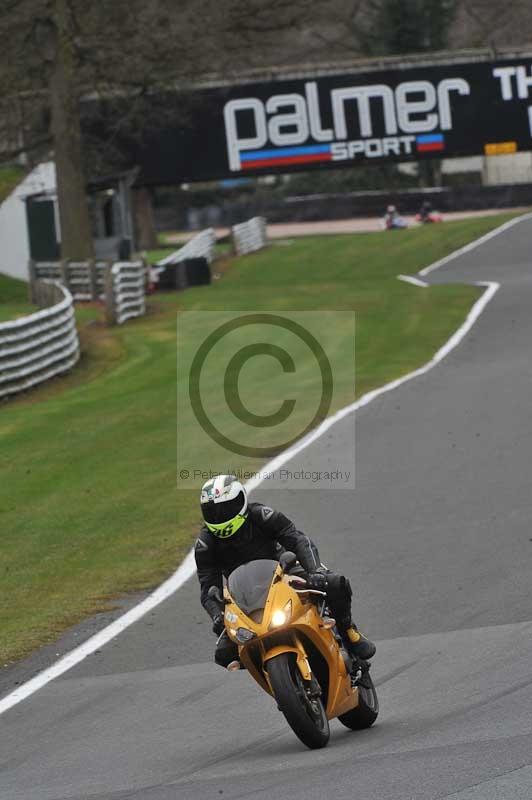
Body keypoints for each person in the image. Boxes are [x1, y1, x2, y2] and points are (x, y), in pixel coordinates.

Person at [195, 474, 376, 669]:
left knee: (333, 583)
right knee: (224, 653)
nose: (220, 516)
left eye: (226, 508)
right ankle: (276, 679)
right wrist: (216, 614)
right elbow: (208, 588)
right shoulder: (205, 544)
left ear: (241, 500)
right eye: (213, 512)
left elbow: (298, 539)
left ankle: (349, 631)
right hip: (243, 595)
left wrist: (314, 570)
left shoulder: (261, 515)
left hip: (285, 571)